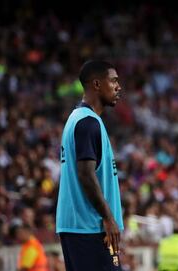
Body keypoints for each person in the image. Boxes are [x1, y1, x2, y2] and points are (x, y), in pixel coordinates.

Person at [56, 60, 124, 271]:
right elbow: (85, 175)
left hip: (79, 226)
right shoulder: (88, 122)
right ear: (96, 84)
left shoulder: (78, 119)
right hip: (89, 227)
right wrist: (108, 217)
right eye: (113, 81)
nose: (118, 86)